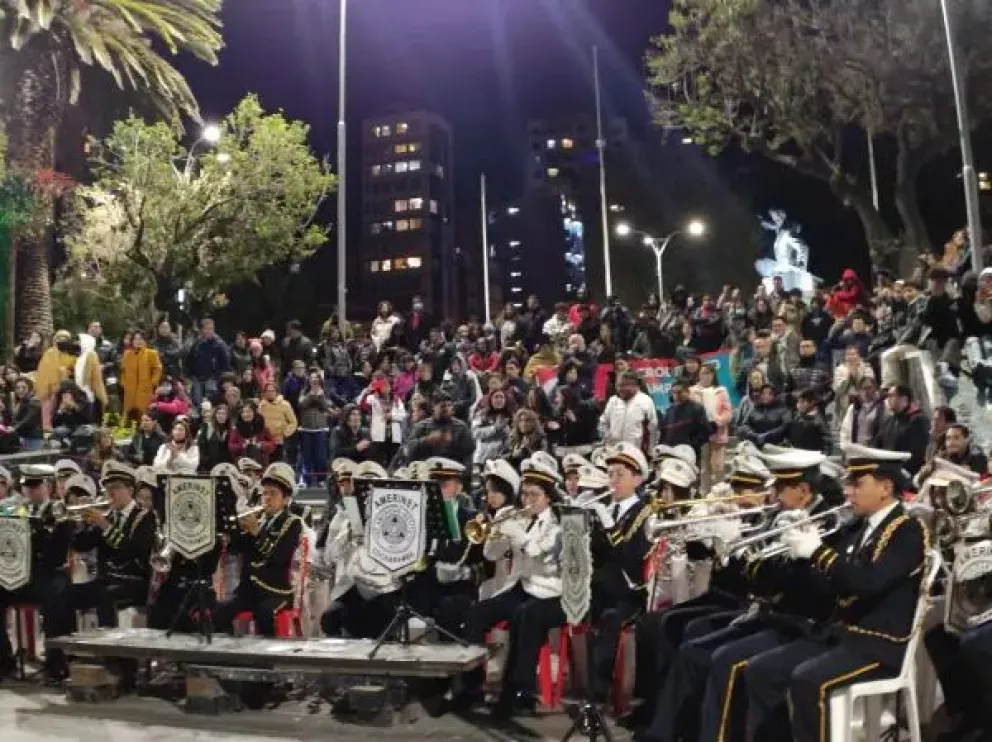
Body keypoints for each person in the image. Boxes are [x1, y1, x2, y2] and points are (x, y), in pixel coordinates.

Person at [743, 443, 929, 742]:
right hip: (841, 634)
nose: (849, 492)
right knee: (761, 671)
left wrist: (818, 552)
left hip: (879, 643)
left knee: (808, 681)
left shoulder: (908, 530)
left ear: (885, 487)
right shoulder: (858, 528)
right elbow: (830, 587)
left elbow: (867, 582)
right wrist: (799, 560)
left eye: (857, 484)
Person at [447, 456, 564, 717]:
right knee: (476, 613)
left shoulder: (558, 523)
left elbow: (543, 559)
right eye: (525, 495)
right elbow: (490, 555)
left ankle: (518, 692)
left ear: (548, 497)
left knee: (526, 617)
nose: (527, 501)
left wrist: (518, 536)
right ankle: (472, 686)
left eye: (534, 495)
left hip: (549, 591)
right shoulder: (519, 518)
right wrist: (497, 534)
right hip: (521, 586)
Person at [585, 442, 653, 698]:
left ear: (637, 479)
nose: (612, 480)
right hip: (602, 586)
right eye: (610, 474)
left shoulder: (644, 512)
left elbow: (629, 557)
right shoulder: (609, 508)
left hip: (628, 592)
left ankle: (599, 694)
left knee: (610, 618)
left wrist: (606, 523)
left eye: (620, 475)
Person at [0, 464, 74, 680]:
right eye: (26, 487)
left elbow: (56, 556)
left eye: (35, 486)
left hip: (48, 574)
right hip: (21, 576)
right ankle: (4, 661)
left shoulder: (59, 512)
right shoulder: (16, 510)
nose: (29, 491)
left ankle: (56, 663)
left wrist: (38, 533)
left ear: (48, 486)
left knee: (56, 598)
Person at [214, 462, 303, 637]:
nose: (267, 498)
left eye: (273, 494)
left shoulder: (292, 523)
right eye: (264, 493)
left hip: (275, 592)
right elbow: (236, 550)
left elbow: (277, 558)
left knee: (264, 613)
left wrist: (256, 532)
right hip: (249, 590)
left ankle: (266, 661)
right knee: (220, 611)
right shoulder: (259, 519)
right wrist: (237, 531)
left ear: (285, 500)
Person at [71, 461, 156, 627]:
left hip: (134, 582)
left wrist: (104, 525)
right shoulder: (107, 516)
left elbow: (131, 550)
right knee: (66, 594)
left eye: (115, 487)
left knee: (104, 595)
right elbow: (82, 546)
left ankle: (110, 650)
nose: (109, 493)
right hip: (107, 580)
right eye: (107, 488)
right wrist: (83, 523)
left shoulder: (145, 517)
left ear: (130, 490)